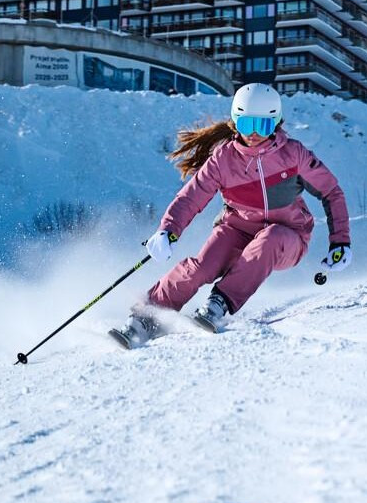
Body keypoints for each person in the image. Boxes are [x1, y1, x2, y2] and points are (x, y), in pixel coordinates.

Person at [111, 84, 351, 347]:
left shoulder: (294, 155)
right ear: (236, 122)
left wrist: (340, 241)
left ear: (276, 124)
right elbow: (191, 197)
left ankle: (219, 302)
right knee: (202, 267)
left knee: (270, 238)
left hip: (289, 236)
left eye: (264, 126)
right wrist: (168, 230)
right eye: (247, 125)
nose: (255, 134)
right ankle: (146, 317)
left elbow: (331, 192)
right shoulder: (223, 160)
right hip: (237, 229)